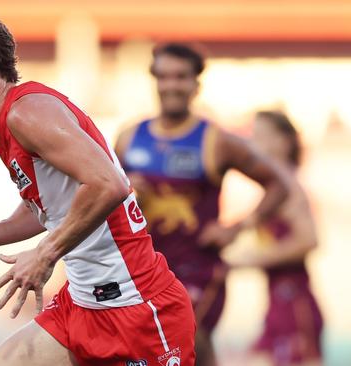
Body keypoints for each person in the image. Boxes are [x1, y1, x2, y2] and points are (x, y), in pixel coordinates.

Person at [0, 8, 195, 366]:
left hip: (137, 310)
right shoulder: (6, 129)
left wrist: (45, 253)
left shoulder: (27, 114)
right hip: (80, 306)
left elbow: (107, 184)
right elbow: (52, 209)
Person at [114, 43, 289, 366]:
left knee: (190, 341)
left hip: (198, 270)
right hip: (142, 270)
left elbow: (278, 184)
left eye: (181, 77)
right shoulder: (129, 137)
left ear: (196, 84)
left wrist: (237, 227)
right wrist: (124, 190)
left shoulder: (216, 141)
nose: (171, 85)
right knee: (145, 353)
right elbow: (103, 199)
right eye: (164, 77)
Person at [229, 111, 323, 366]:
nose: (252, 143)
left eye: (259, 136)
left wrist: (252, 260)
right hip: (277, 302)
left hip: (294, 304)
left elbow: (309, 240)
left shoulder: (289, 186)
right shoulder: (273, 188)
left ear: (284, 142)